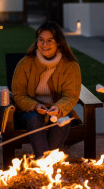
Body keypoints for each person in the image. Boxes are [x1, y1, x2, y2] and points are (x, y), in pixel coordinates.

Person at [12, 21, 81, 159]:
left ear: (59, 43)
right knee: (36, 119)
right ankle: (45, 163)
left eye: (50, 40)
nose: (44, 45)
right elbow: (18, 94)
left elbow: (71, 95)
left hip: (55, 110)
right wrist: (35, 105)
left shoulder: (70, 66)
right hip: (29, 112)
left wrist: (58, 107)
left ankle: (42, 163)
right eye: (41, 40)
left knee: (63, 122)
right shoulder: (25, 63)